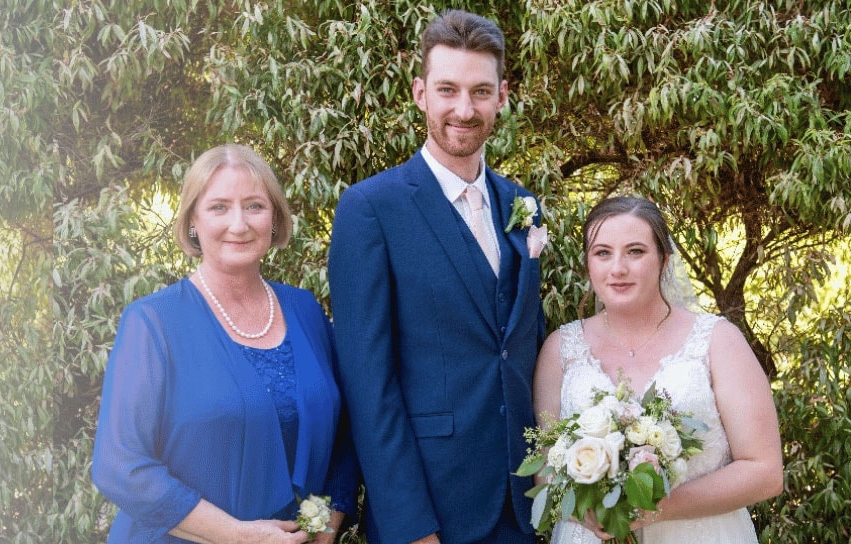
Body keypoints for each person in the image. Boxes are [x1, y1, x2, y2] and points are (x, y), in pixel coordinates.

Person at [328, 10, 546, 544]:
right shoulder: (370, 209)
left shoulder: (521, 204)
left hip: (521, 506)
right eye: (448, 90)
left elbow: (523, 346)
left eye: (480, 91)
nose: (464, 110)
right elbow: (367, 384)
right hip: (429, 514)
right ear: (421, 92)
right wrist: (409, 527)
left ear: (503, 95)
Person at [92, 144, 358, 544]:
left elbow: (347, 429)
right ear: (193, 221)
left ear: (274, 218)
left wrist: (328, 524)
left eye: (254, 206)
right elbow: (121, 465)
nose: (239, 224)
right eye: (219, 207)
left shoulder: (304, 310)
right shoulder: (152, 323)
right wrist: (235, 535)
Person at [532, 196, 783, 543]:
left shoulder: (718, 341)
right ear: (588, 263)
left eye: (635, 251)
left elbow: (765, 471)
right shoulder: (560, 349)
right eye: (602, 253)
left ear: (664, 261)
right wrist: (589, 513)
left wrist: (655, 507)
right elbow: (546, 471)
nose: (617, 268)